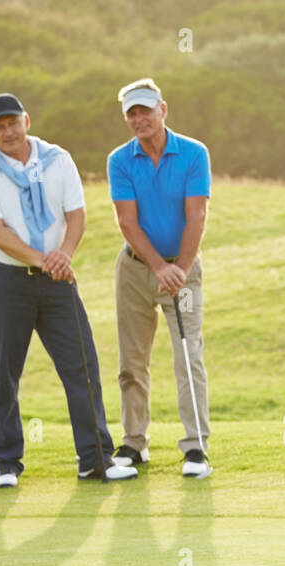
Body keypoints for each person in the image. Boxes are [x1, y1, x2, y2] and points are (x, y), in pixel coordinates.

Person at [0, 92, 134, 487]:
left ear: (27, 120)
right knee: (5, 373)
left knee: (83, 367)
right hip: (5, 279)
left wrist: (64, 254)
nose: (8, 132)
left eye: (13, 123)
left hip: (58, 279)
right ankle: (5, 463)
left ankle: (95, 460)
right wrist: (44, 260)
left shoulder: (58, 159)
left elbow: (76, 214)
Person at [107, 78, 213, 478]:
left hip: (183, 269)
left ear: (162, 110)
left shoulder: (192, 153)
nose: (139, 119)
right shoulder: (120, 160)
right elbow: (126, 221)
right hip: (136, 270)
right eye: (131, 114)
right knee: (132, 360)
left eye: (145, 111)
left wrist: (180, 271)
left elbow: (196, 216)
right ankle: (134, 443)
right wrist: (159, 268)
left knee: (189, 358)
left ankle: (196, 448)